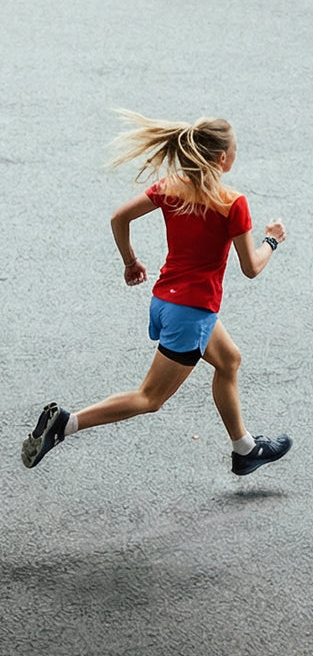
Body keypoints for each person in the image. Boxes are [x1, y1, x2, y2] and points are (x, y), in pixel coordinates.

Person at [21, 111, 292, 479]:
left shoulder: (171, 187)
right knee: (150, 398)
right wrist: (272, 240)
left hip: (166, 302)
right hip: (192, 312)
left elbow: (119, 218)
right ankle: (66, 424)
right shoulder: (232, 203)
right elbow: (252, 267)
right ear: (221, 159)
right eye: (235, 149)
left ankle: (244, 450)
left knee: (229, 361)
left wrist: (130, 262)